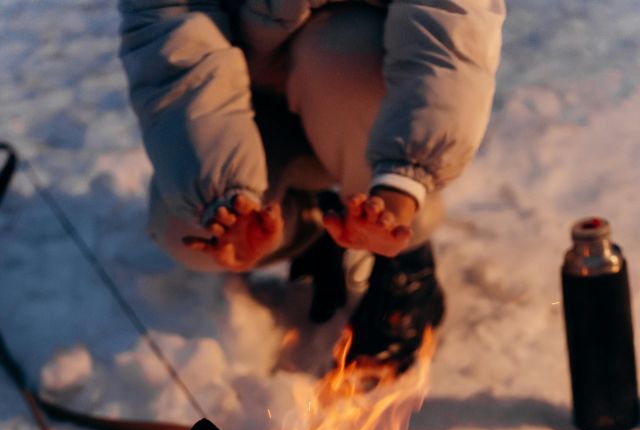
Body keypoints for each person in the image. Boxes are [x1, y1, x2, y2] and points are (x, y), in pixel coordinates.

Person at [119, 0, 505, 371]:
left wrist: (402, 183)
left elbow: (450, 33)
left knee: (339, 52)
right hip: (252, 106)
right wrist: (226, 195)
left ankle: (404, 255)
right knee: (185, 226)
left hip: (361, 95)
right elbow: (176, 39)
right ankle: (311, 224)